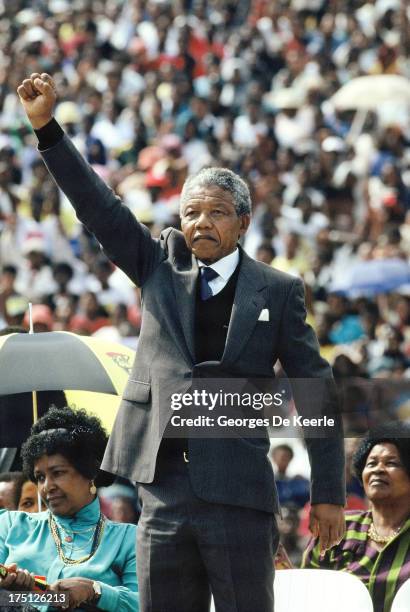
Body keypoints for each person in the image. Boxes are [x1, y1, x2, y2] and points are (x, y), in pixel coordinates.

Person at [17, 73, 345, 612]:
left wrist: (328, 493)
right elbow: (99, 208)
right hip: (162, 490)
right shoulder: (156, 266)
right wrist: (47, 129)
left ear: (242, 222)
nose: (201, 223)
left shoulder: (280, 290)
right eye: (191, 212)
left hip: (240, 495)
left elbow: (316, 387)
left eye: (216, 212)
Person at [0, 406, 139, 611]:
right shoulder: (10, 525)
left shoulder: (128, 539)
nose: (47, 486)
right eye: (40, 477)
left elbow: (145, 603)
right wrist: (18, 594)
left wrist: (95, 591)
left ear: (90, 473)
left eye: (58, 473)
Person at [303, 422, 410, 612]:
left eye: (391, 463)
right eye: (371, 463)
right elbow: (308, 591)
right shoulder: (339, 528)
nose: (378, 469)